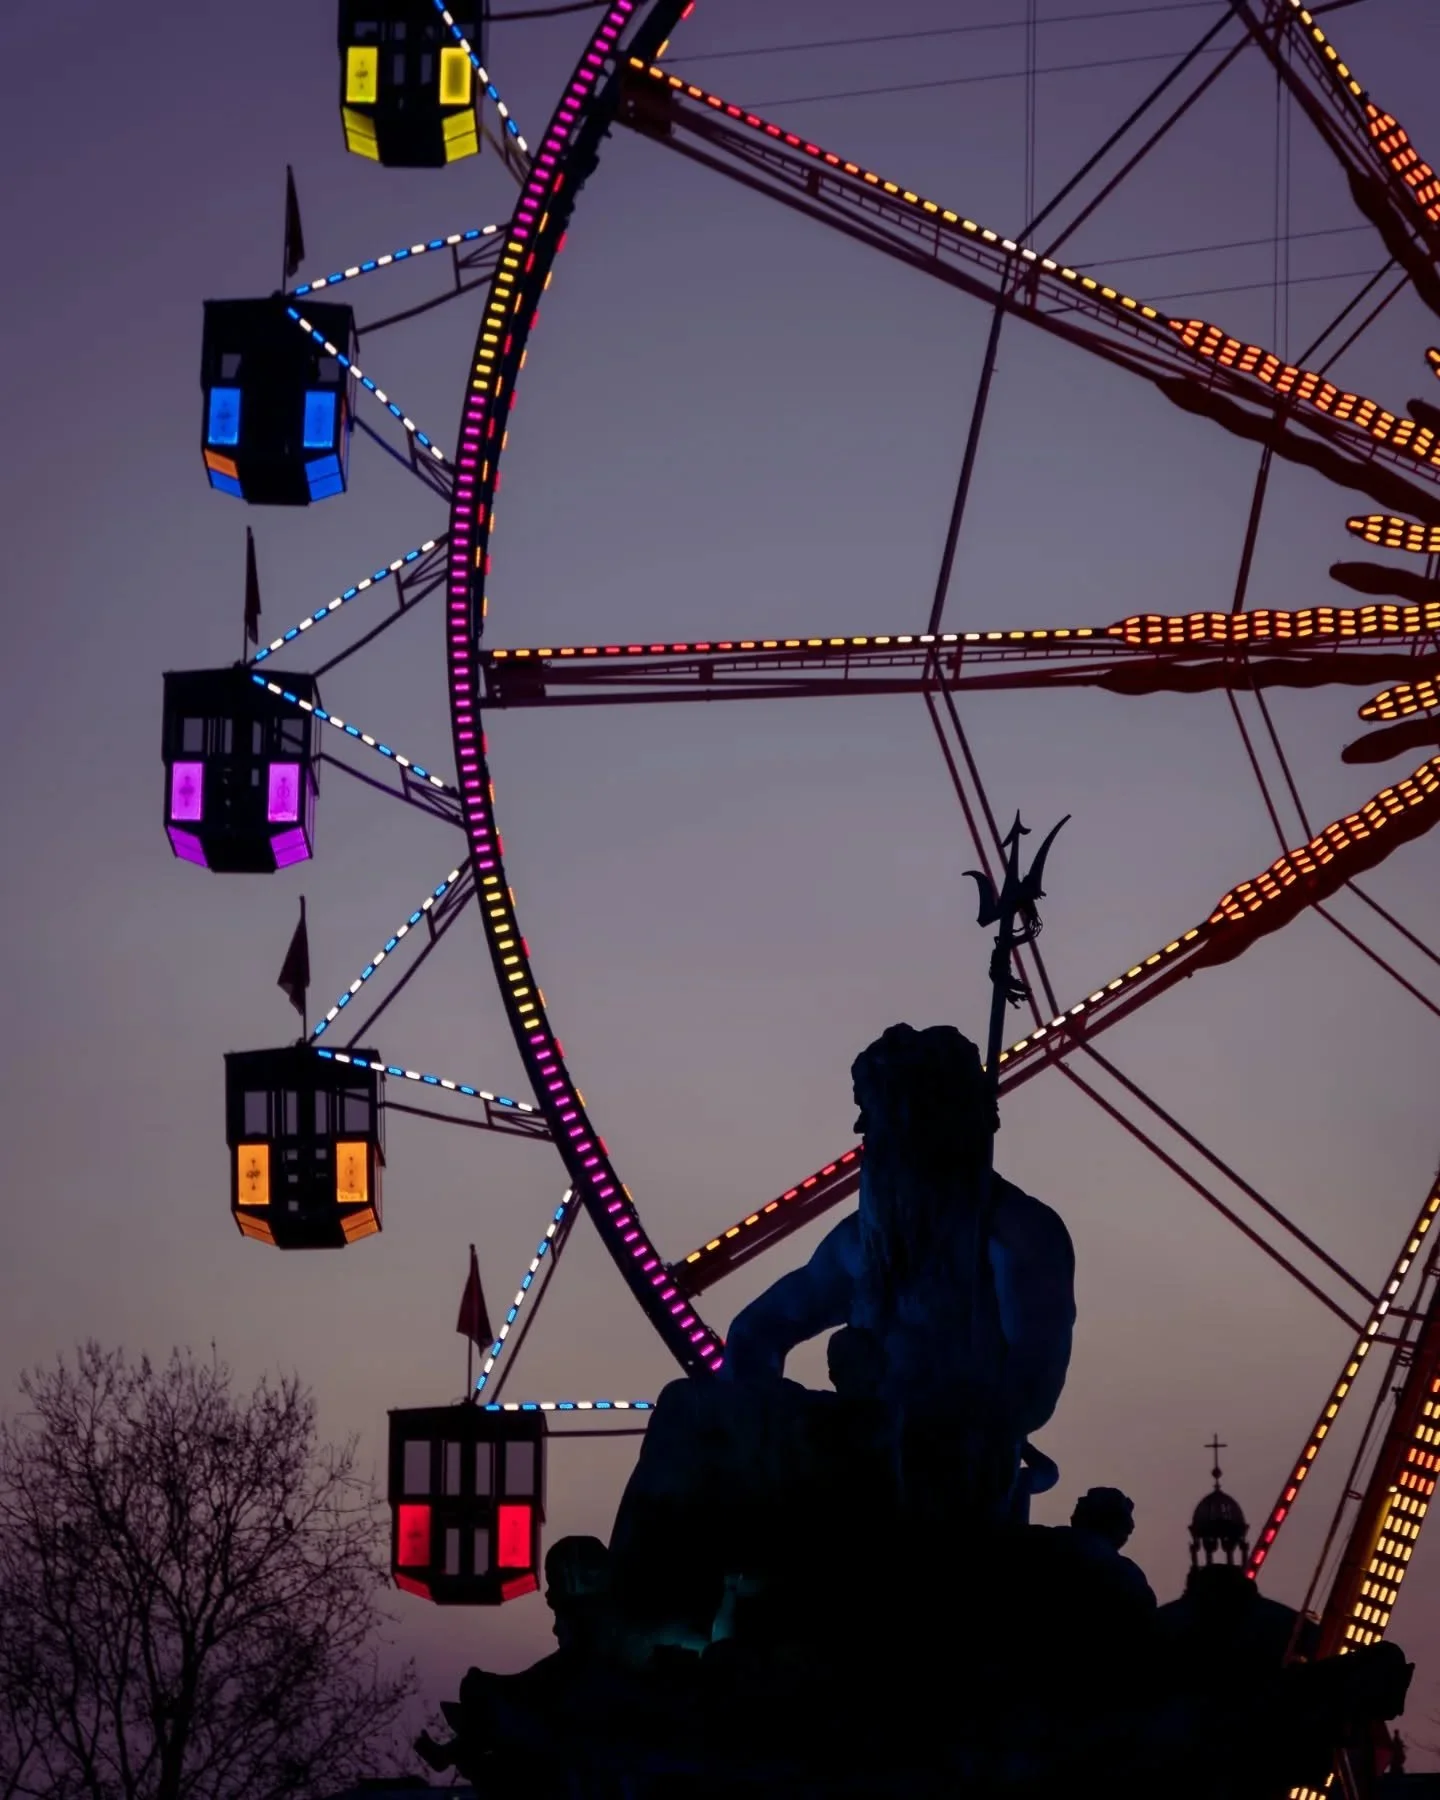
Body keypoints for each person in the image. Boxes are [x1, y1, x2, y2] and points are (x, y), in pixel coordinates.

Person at [725, 1023, 1076, 1521]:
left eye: (877, 1119)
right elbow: (755, 1332)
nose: (866, 1138)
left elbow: (1032, 1387)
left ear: (931, 1121)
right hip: (863, 1446)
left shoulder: (1017, 1234)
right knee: (685, 1410)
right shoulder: (864, 1240)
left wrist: (955, 1425)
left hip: (946, 1472)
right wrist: (757, 1419)